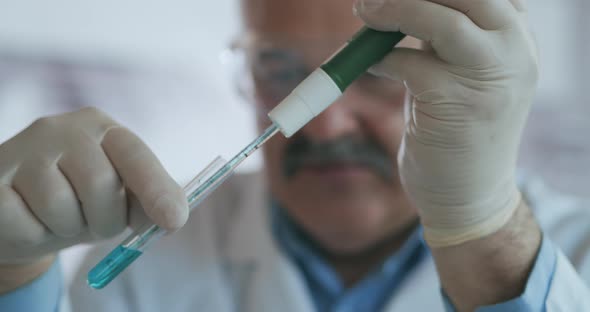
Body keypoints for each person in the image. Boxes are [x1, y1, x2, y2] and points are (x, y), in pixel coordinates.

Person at [1, 0, 589, 311]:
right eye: (278, 69)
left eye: (376, 72)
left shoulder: (576, 253)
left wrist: (482, 232)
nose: (327, 125)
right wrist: (12, 275)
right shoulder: (154, 261)